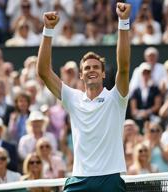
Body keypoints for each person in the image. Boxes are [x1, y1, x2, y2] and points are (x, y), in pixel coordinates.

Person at [36, 2, 131, 191]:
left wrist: (123, 22)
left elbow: (124, 66)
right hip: (80, 178)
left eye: (96, 67)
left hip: (110, 179)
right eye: (87, 68)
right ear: (81, 75)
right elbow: (44, 72)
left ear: (104, 74)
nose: (91, 70)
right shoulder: (73, 98)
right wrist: (48, 30)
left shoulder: (116, 98)